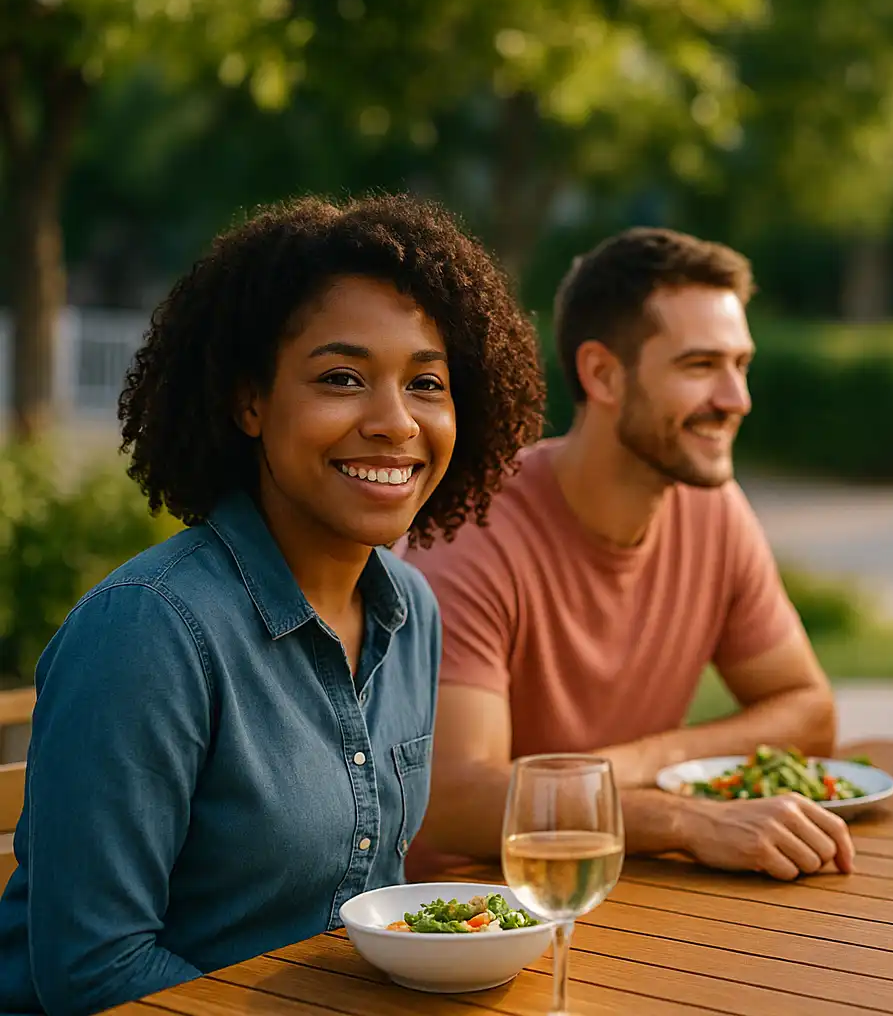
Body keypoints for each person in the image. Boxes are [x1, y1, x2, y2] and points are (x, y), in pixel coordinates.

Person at [0, 194, 546, 1015]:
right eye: (341, 378)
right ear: (249, 401)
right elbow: (96, 972)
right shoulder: (149, 631)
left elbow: (371, 908)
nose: (395, 422)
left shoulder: (411, 609)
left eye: (426, 383)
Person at [403, 227, 852, 884]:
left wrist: (631, 765)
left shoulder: (714, 509)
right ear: (603, 374)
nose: (737, 399)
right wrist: (684, 819)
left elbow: (809, 711)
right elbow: (454, 801)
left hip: (631, 881)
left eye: (740, 365)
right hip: (479, 906)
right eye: (701, 366)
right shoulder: (473, 531)